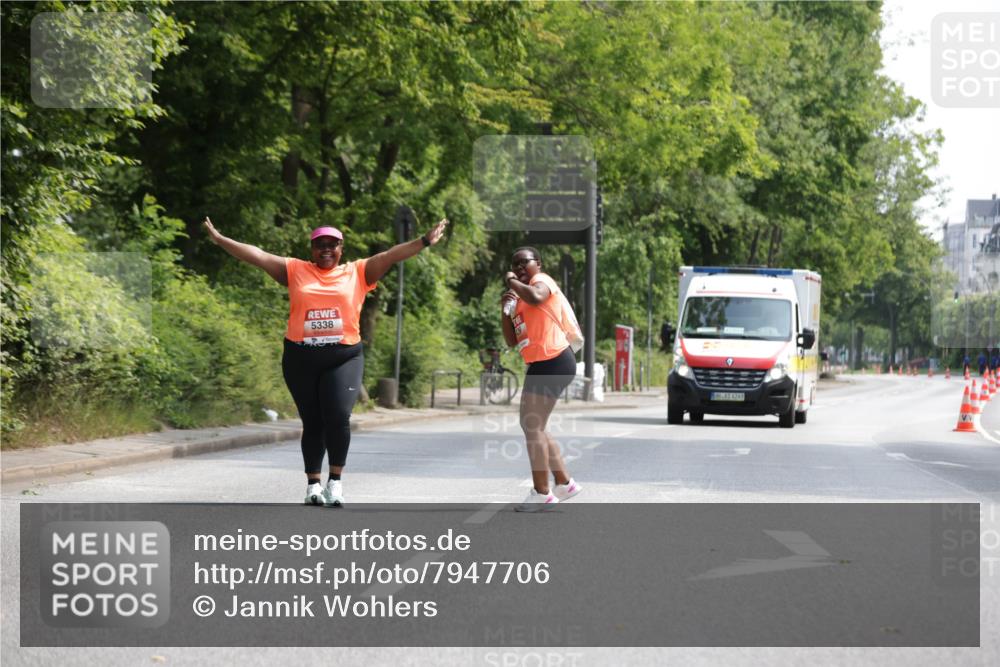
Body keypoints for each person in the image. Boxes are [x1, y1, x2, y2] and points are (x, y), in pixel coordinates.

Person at [203, 216, 448, 506]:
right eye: (320, 245)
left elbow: (391, 255)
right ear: (312, 249)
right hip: (300, 357)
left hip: (343, 356)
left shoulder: (357, 272)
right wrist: (220, 239)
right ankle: (313, 486)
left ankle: (335, 482)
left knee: (338, 417)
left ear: (341, 248)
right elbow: (257, 255)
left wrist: (423, 241)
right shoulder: (295, 270)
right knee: (313, 422)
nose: (326, 250)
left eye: (332, 245)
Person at [500, 247, 582, 512]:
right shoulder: (519, 299)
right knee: (536, 425)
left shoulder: (542, 282)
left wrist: (511, 279)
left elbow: (536, 297)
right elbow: (512, 340)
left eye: (524, 262)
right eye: (515, 263)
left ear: (538, 264)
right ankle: (564, 482)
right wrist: (506, 311)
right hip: (546, 362)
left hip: (553, 359)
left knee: (531, 425)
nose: (520, 266)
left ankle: (541, 492)